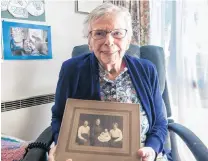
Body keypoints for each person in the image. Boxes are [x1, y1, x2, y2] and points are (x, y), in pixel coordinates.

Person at [49, 3, 169, 161]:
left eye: (117, 33)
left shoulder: (147, 70)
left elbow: (160, 122)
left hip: (142, 155)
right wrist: (61, 146)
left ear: (128, 40)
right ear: (90, 42)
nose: (109, 41)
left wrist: (152, 150)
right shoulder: (72, 69)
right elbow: (59, 117)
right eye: (99, 33)